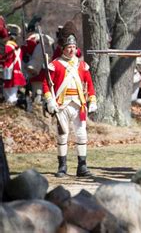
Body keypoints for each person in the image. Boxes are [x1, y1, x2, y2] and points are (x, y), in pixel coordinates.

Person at [43, 21, 97, 177]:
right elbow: (46, 84)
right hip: (62, 104)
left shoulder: (82, 65)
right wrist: (49, 100)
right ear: (63, 48)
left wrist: (92, 100)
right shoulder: (55, 64)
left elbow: (90, 84)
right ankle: (62, 167)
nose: (72, 49)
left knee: (81, 135)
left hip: (79, 105)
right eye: (69, 47)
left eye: (73, 47)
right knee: (62, 135)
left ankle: (82, 167)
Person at [2, 24, 26, 104]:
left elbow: (4, 58)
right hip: (16, 71)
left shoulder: (8, 46)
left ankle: (22, 101)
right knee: (12, 93)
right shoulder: (17, 48)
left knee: (10, 97)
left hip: (9, 71)